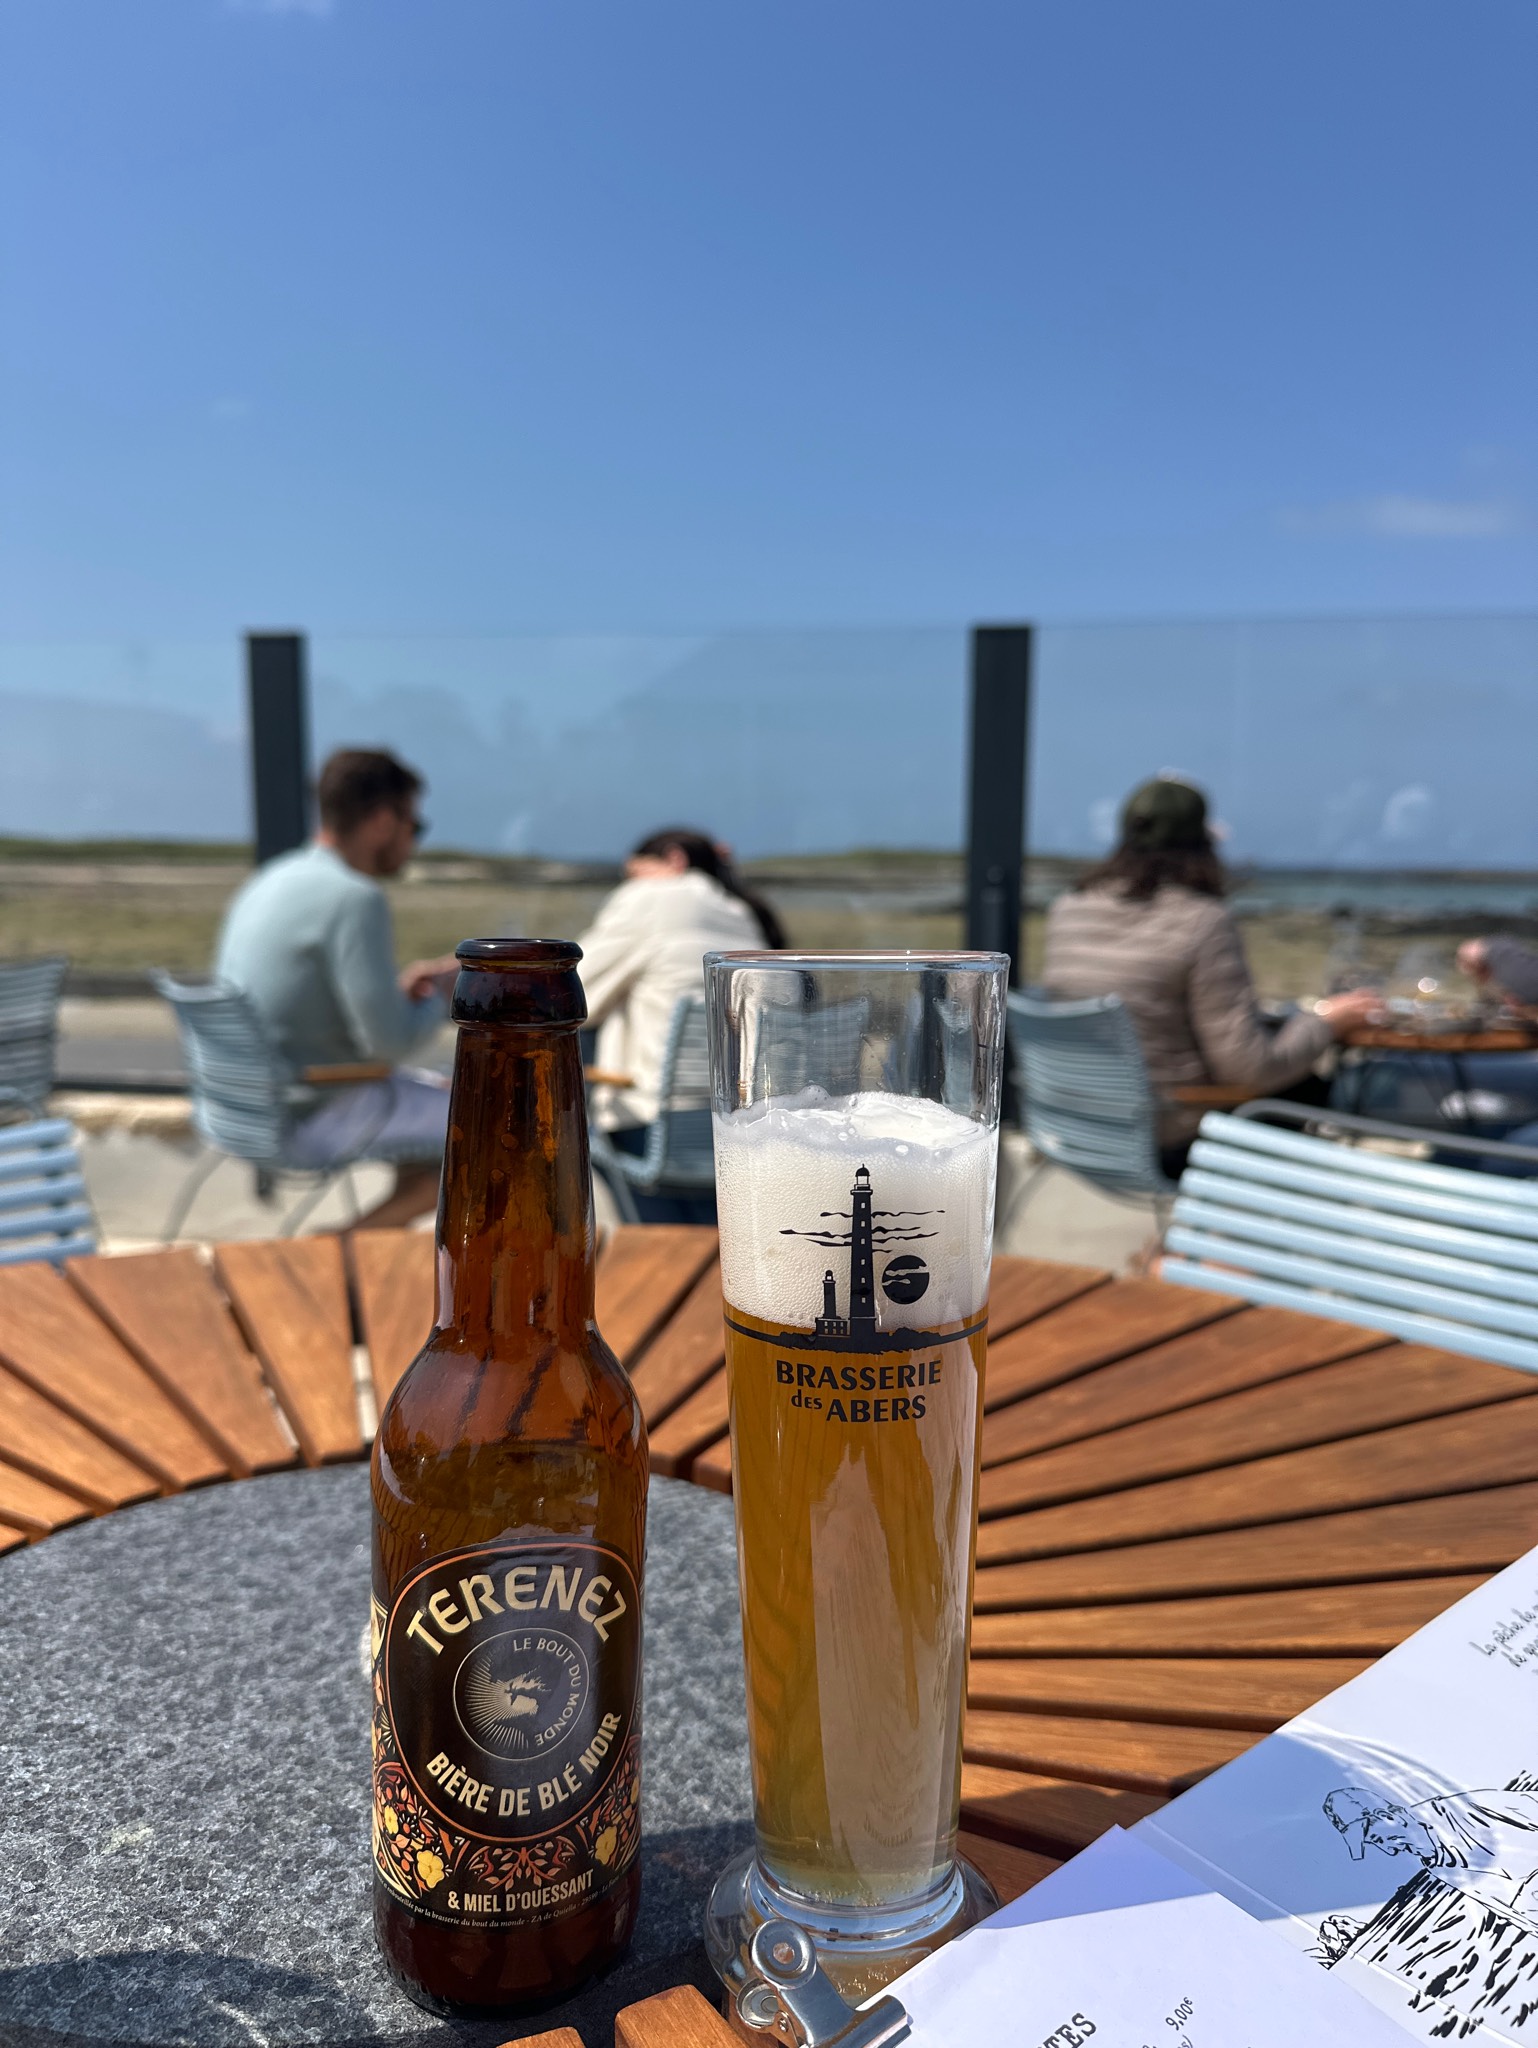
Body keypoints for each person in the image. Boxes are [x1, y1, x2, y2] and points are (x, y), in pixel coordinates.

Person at [1043, 775, 1380, 1173]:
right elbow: (1249, 1070)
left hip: (1082, 1128)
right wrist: (1327, 1021)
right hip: (1169, 1135)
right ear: (1202, 840)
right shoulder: (1202, 920)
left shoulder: (1068, 908)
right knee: (1314, 1090)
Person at [215, 748, 459, 1227]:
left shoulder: (272, 879)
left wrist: (400, 995)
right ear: (384, 821)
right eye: (415, 826)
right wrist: (443, 995)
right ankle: (341, 1249)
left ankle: (367, 1249)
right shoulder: (355, 898)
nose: (414, 842)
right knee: (503, 1121)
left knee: (439, 1147)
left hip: (248, 1109)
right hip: (312, 1112)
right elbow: (389, 1045)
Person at [577, 828, 783, 1222]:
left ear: (674, 859)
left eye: (634, 872)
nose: (628, 883)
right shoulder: (742, 912)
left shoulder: (651, 897)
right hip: (740, 1126)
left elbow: (573, 994)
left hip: (654, 1124)